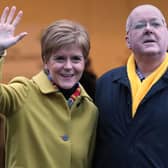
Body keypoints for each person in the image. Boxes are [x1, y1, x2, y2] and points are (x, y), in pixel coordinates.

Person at [0, 6, 98, 168]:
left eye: (75, 59)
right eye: (59, 59)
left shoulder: (90, 110)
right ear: (46, 61)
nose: (68, 66)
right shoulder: (24, 93)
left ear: (84, 62)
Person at [92, 4, 168, 168]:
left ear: (166, 33)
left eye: (155, 24)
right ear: (128, 40)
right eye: (139, 25)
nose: (148, 29)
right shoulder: (105, 84)